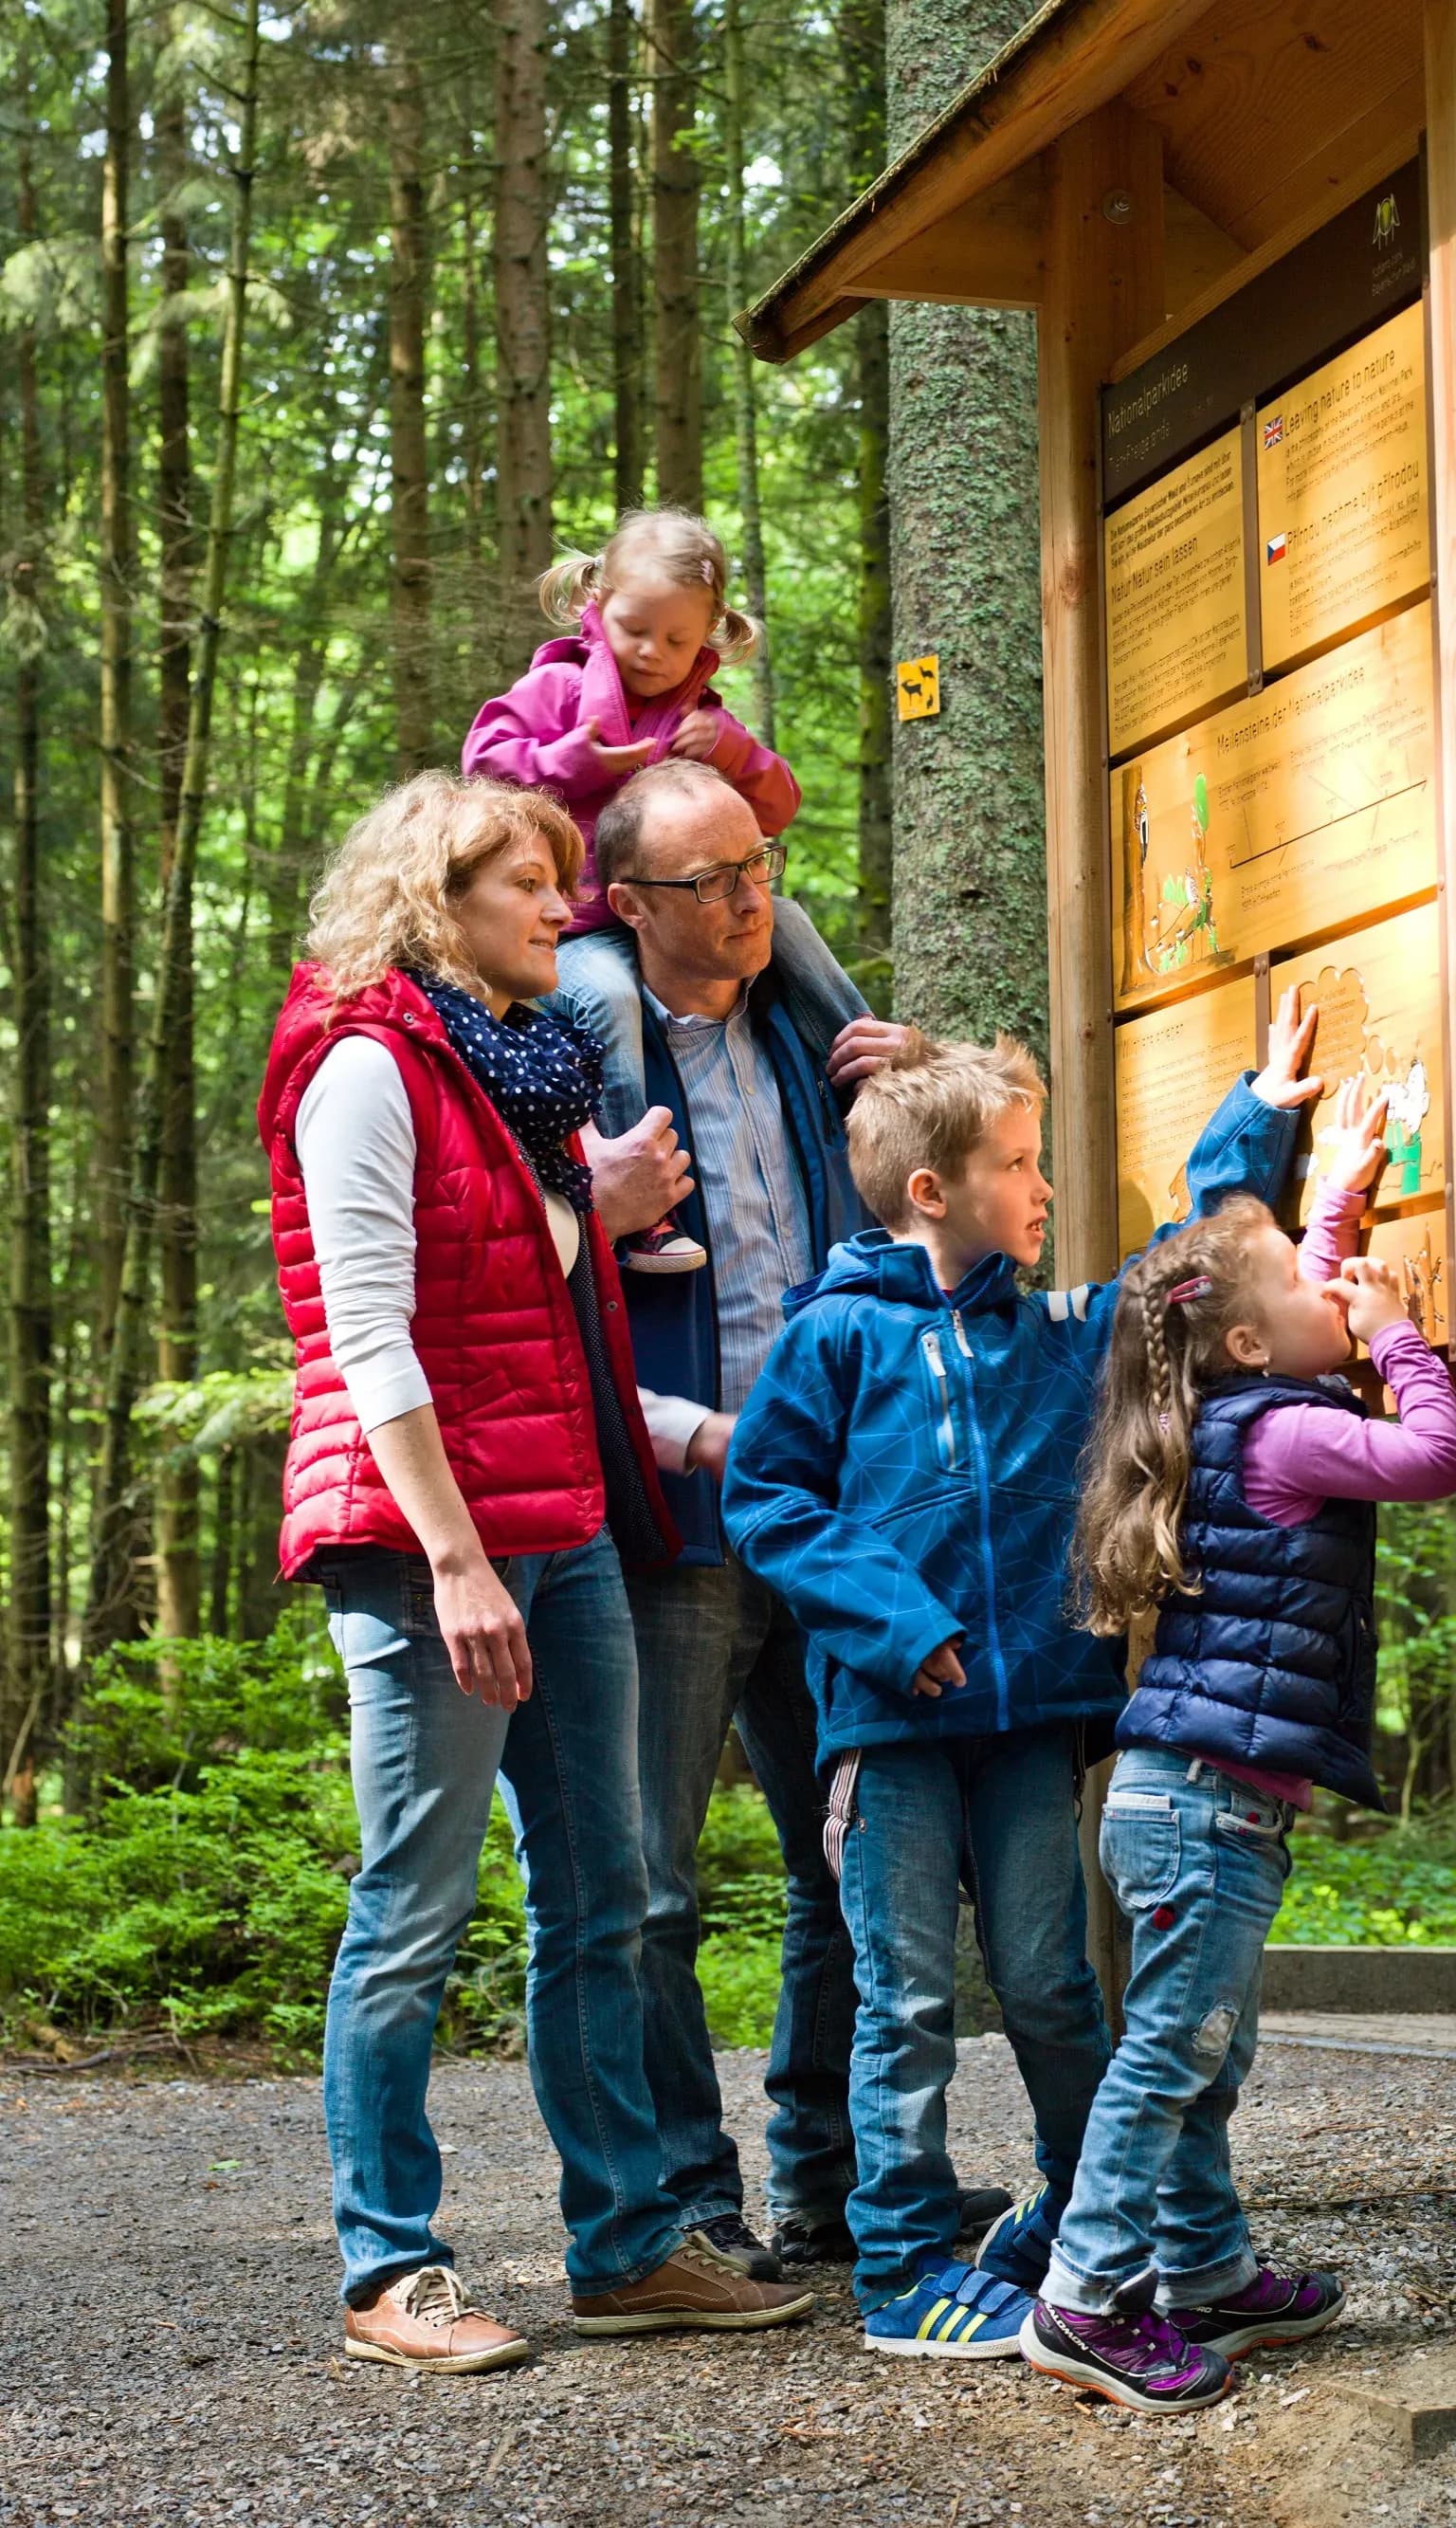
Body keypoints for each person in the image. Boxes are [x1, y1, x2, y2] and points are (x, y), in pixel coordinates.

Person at [260, 771, 811, 2373]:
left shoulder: (514, 1079)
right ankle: (390, 2269)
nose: (557, 912)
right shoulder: (365, 1068)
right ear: (437, 902)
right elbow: (369, 1342)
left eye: (563, 882)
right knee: (414, 1910)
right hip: (426, 1545)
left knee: (603, 1896)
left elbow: (542, 1345)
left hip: (563, 1526)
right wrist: (456, 1559)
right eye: (523, 885)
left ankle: (631, 2242)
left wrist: (679, 1437)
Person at [719, 1012, 1322, 2359]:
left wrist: (1261, 1116)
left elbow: (1189, 1272)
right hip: (892, 1725)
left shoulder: (1053, 1330)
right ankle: (903, 2263)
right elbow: (766, 1500)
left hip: (1033, 1720)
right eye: (1021, 1162)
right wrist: (895, 1620)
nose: (1046, 1188)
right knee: (910, 1994)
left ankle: (1080, 2208)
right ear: (935, 1191)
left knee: (1053, 1982)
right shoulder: (833, 1339)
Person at [549, 758, 1010, 2279]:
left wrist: (922, 1065)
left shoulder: (819, 1044)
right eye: (709, 881)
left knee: (851, 1861)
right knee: (653, 1880)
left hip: (835, 1518)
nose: (750, 898)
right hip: (677, 1522)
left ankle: (834, 2179)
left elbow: (916, 1206)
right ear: (627, 909)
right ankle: (689, 2195)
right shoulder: (587, 1074)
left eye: (758, 867)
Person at [1019, 1076, 1456, 2413]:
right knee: (1173, 2051)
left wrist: (1335, 1203)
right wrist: (1400, 1339)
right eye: (1315, 1290)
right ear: (1261, 1345)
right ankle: (1087, 2299)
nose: (1338, 1291)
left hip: (1185, 1801)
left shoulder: (1228, 1403)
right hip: (1208, 1814)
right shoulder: (1293, 1433)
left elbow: (1287, 1300)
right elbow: (1438, 1455)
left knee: (1203, 2046)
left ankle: (1204, 2266)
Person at [464, 506, 800, 1271]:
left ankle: (889, 1085)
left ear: (709, 635)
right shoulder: (560, 684)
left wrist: (737, 753)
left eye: (679, 640)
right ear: (597, 604)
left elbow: (778, 805)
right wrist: (570, 763)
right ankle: (630, 1195)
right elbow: (481, 766)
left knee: (795, 934)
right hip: (579, 925)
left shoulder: (705, 717)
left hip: (682, 917)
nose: (654, 652)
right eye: (635, 628)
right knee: (611, 1001)